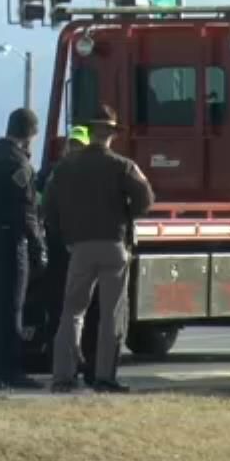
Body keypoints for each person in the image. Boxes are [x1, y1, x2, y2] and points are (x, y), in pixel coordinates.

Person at [43, 105, 155, 394]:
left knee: (72, 312)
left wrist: (64, 235)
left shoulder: (64, 167)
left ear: (90, 133)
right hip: (114, 245)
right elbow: (146, 199)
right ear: (111, 135)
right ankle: (105, 377)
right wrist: (127, 214)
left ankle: (63, 377)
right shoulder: (123, 166)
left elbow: (48, 207)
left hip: (79, 247)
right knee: (111, 314)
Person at [0, 107, 50, 390]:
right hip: (12, 240)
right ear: (31, 135)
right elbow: (28, 211)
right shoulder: (19, 164)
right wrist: (40, 247)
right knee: (14, 308)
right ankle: (10, 370)